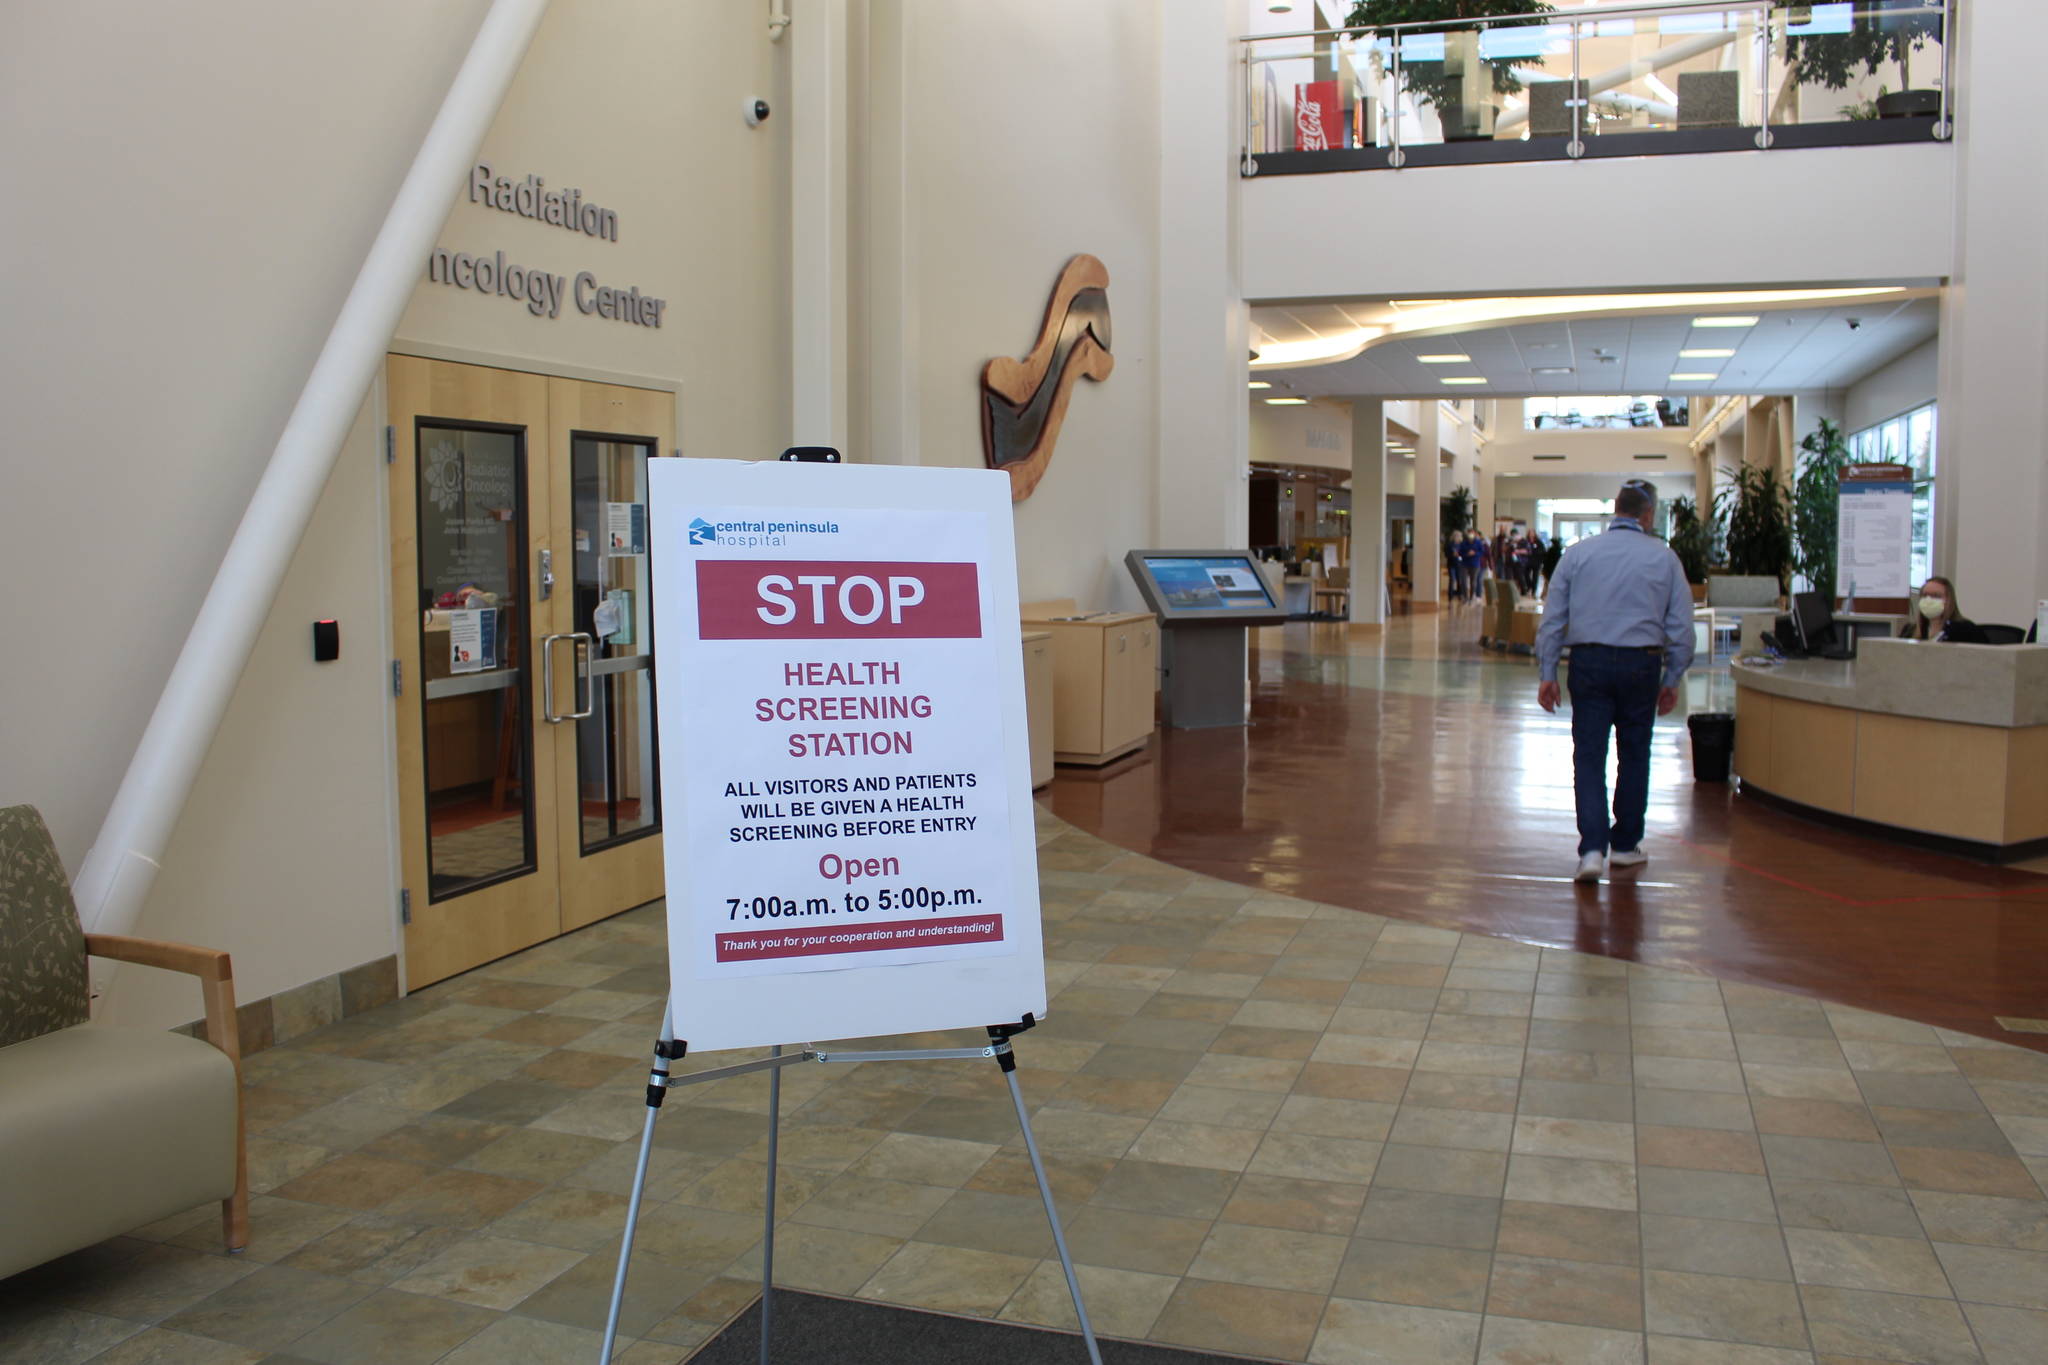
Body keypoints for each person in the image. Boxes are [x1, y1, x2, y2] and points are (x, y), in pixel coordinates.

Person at [1535, 480, 1696, 883]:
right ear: (1647, 515)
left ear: (1616, 511)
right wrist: (1673, 676)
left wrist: (1547, 673)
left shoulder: (1577, 555)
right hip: (1642, 664)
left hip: (1588, 662)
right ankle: (1625, 845)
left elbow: (1553, 620)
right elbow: (1681, 627)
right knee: (1635, 753)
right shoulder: (1665, 559)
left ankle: (1591, 850)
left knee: (1589, 756)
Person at [1898, 576, 1985, 642]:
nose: (1929, 600)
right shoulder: (1909, 631)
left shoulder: (1967, 630)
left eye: (1936, 596)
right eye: (1925, 595)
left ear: (1949, 601)